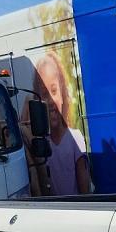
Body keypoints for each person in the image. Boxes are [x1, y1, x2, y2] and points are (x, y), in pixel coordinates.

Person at [28, 51, 91, 196]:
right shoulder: (41, 144)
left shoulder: (75, 138)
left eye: (54, 91)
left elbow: (85, 191)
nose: (49, 101)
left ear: (62, 94)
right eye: (44, 94)